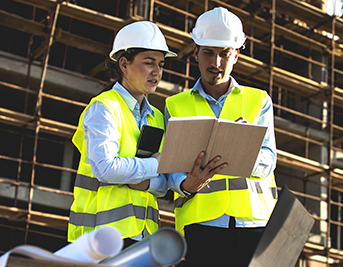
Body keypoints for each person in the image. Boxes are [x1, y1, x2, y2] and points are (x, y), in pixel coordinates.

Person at [165, 7, 278, 267]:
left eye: (224, 54)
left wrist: (242, 144)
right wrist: (185, 185)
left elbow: (269, 160)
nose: (216, 63)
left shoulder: (259, 100)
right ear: (195, 52)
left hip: (254, 225)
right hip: (200, 227)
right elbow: (168, 167)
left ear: (236, 55)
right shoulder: (175, 105)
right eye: (208, 53)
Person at [67, 21, 177, 248]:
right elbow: (106, 169)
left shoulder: (156, 116)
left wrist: (145, 184)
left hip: (144, 237)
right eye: (148, 63)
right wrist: (154, 165)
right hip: (101, 237)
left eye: (161, 64)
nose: (157, 71)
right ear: (124, 64)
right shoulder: (104, 107)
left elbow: (164, 184)